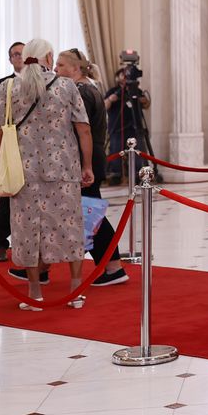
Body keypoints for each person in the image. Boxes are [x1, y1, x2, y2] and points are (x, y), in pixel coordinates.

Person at [0, 38, 91, 311]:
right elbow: (83, 129)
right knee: (69, 227)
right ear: (48, 57)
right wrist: (87, 166)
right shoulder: (66, 86)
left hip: (24, 172)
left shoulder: (8, 87)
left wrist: (1, 161)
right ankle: (76, 289)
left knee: (27, 229)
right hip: (64, 169)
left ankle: (34, 293)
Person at [55, 49, 129, 286]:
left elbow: (81, 130)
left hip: (86, 156)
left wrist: (83, 163)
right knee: (89, 211)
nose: (56, 69)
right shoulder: (87, 88)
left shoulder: (82, 92)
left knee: (91, 212)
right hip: (89, 155)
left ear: (75, 69)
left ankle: (114, 267)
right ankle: (110, 265)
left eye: (61, 65)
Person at [0, 41, 24, 263]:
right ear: (10, 59)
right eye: (15, 54)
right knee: (7, 196)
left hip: (36, 149)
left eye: (23, 54)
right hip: (11, 145)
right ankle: (1, 243)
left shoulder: (45, 83)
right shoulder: (0, 84)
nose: (19, 58)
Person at [103, 65, 151, 182]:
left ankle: (140, 174)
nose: (125, 77)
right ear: (117, 78)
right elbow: (104, 105)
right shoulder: (113, 91)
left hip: (135, 127)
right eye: (122, 75)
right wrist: (110, 99)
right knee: (115, 151)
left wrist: (141, 100)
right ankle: (115, 175)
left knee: (139, 150)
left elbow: (146, 104)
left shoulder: (137, 91)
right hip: (117, 128)